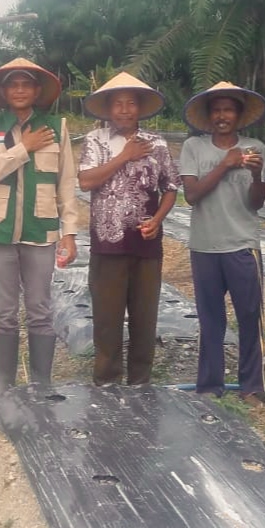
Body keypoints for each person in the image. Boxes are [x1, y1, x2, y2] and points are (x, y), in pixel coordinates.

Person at [0, 58, 78, 392]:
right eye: (13, 85)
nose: (19, 90)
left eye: (26, 84)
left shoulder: (56, 128)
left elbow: (66, 183)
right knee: (4, 311)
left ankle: (42, 382)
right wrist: (24, 148)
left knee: (39, 309)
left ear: (36, 90)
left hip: (40, 231)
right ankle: (5, 382)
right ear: (4, 92)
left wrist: (70, 233)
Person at [77, 72, 180, 386]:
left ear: (140, 109)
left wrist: (158, 219)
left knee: (144, 316)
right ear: (108, 110)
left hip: (147, 246)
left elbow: (171, 187)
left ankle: (140, 380)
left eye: (130, 104)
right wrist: (125, 156)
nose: (124, 110)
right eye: (117, 104)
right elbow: (86, 181)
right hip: (107, 244)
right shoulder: (95, 141)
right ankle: (106, 379)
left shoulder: (157, 144)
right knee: (107, 318)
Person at [180, 82, 265, 404]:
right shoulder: (194, 147)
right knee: (210, 319)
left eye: (228, 109)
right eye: (216, 110)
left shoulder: (256, 148)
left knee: (249, 317)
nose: (222, 115)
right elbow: (191, 196)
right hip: (205, 246)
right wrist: (225, 164)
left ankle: (252, 387)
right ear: (208, 115)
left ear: (239, 115)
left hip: (243, 245)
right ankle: (209, 385)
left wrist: (258, 176)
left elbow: (257, 203)